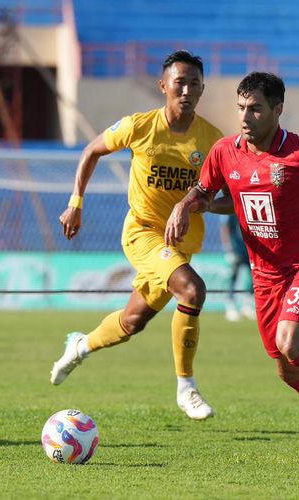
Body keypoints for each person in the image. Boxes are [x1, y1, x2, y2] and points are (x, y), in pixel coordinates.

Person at [165, 72, 299, 460]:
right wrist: (184, 205)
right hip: (264, 277)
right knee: (287, 371)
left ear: (277, 110)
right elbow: (205, 191)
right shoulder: (225, 151)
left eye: (256, 108)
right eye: (241, 108)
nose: (246, 117)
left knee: (292, 343)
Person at [50, 50, 227, 421]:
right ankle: (186, 387)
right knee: (193, 290)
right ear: (163, 86)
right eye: (179, 82)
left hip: (180, 247)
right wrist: (76, 202)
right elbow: (91, 150)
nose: (187, 90)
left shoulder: (213, 140)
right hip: (143, 233)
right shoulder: (139, 126)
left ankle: (79, 346)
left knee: (133, 322)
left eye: (195, 83)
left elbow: (234, 197)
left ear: (202, 89)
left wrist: (206, 205)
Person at [220, 214, 255, 321]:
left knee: (254, 277)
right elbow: (225, 227)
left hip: (249, 249)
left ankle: (247, 305)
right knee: (232, 277)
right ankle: (230, 306)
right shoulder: (231, 207)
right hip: (236, 248)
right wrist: (228, 248)